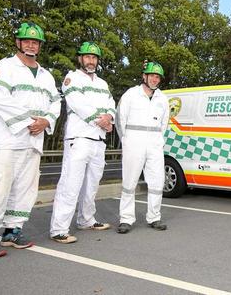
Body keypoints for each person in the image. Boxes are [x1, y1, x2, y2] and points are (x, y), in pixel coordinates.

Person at [0, 22, 60, 257]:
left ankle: (12, 231)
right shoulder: (3, 68)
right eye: (27, 41)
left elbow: (56, 102)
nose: (32, 45)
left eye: (36, 42)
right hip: (6, 140)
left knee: (25, 188)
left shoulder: (45, 75)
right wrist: (28, 122)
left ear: (40, 46)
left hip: (33, 141)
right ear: (18, 43)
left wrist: (46, 121)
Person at [49, 42, 115, 244]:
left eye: (94, 57)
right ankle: (59, 229)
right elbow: (78, 104)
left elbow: (111, 104)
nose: (91, 60)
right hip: (78, 138)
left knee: (91, 184)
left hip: (98, 140)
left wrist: (110, 118)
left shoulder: (102, 84)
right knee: (70, 183)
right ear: (80, 58)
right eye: (87, 57)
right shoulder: (71, 79)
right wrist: (102, 119)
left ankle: (86, 219)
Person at [115, 62, 170, 234]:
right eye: (152, 75)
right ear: (144, 76)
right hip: (134, 142)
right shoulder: (131, 94)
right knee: (129, 182)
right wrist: (126, 140)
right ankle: (126, 219)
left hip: (154, 144)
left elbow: (164, 123)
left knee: (156, 182)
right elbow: (119, 120)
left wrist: (158, 141)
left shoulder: (162, 98)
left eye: (157, 76)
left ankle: (154, 217)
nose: (155, 79)